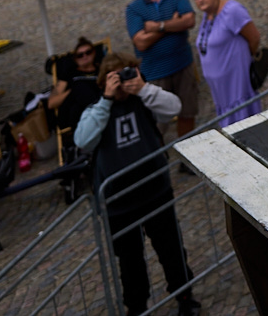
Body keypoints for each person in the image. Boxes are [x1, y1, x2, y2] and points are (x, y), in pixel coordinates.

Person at [75, 54, 198, 316]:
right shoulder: (96, 109)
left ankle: (185, 296)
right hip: (118, 204)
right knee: (130, 262)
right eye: (116, 78)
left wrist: (143, 88)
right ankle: (137, 308)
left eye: (127, 74)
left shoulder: (145, 100)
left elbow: (174, 107)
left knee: (171, 249)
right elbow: (83, 140)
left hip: (155, 191)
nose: (123, 83)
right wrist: (107, 100)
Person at [126, 0, 198, 137]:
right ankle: (158, 158)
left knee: (187, 113)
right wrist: (172, 24)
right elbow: (140, 43)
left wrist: (156, 27)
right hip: (154, 74)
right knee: (157, 123)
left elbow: (189, 21)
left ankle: (186, 157)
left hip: (183, 66)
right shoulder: (134, 9)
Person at [192, 0, 268, 127]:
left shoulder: (232, 11)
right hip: (220, 89)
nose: (201, 0)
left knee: (244, 122)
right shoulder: (207, 14)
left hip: (236, 81)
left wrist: (240, 61)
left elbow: (254, 37)